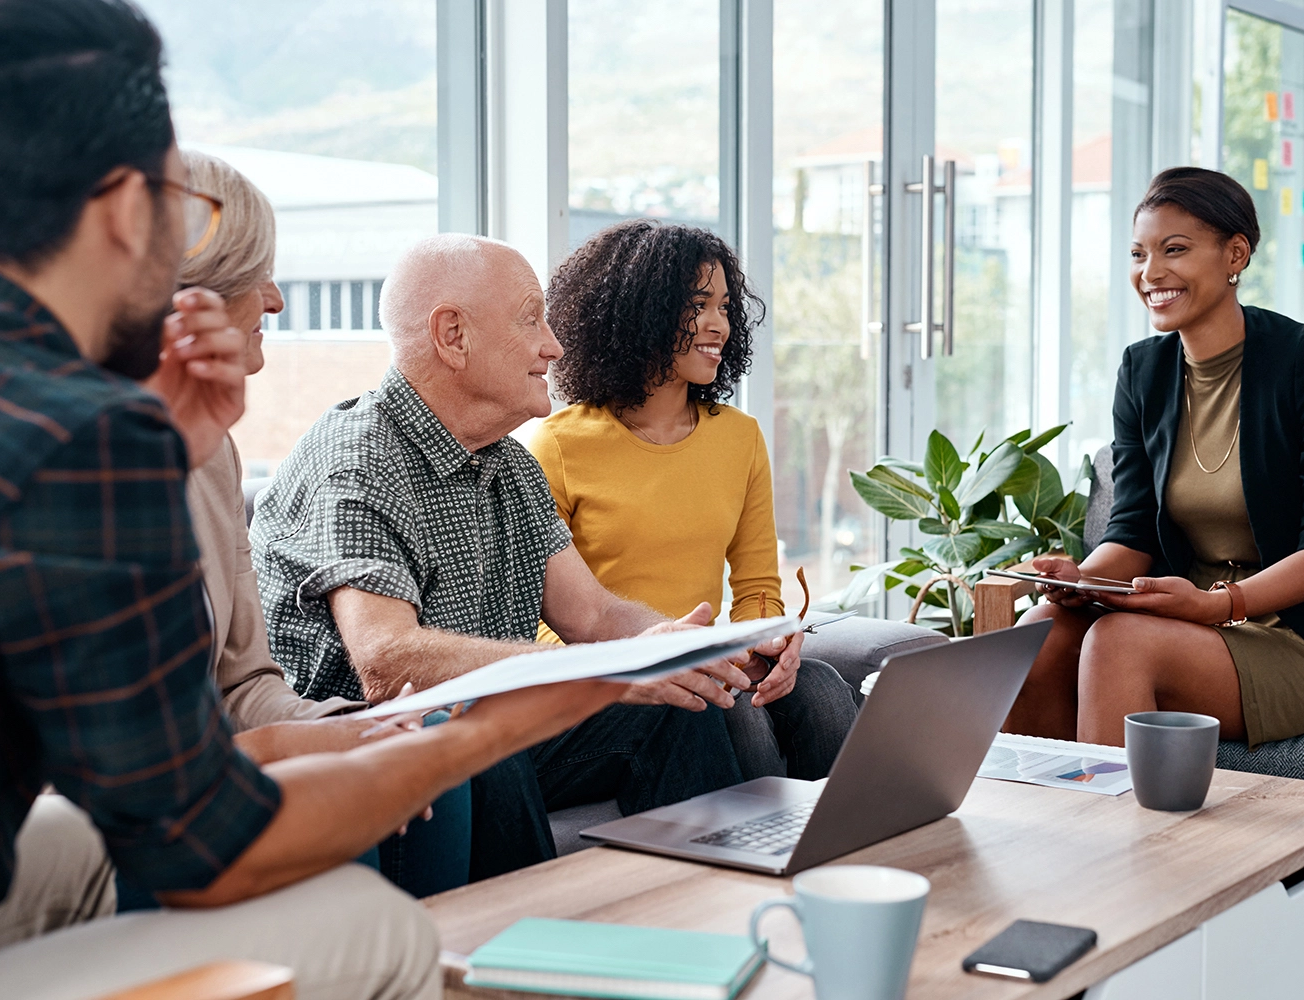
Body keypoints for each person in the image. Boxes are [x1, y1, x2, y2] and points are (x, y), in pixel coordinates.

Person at [0, 2, 627, 996]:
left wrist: (167, 454)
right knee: (380, 927)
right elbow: (204, 841)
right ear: (128, 211)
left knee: (83, 845)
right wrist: (495, 720)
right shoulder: (80, 427)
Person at [250, 233, 752, 881]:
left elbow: (594, 616)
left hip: (468, 732)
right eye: (530, 319)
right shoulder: (358, 458)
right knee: (488, 731)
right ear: (453, 335)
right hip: (371, 754)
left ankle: (713, 913)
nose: (554, 344)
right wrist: (595, 674)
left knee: (679, 704)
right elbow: (386, 660)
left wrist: (675, 649)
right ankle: (528, 964)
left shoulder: (509, 464)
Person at [154, 149, 469, 900]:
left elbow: (245, 682)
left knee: (429, 758)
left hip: (210, 760)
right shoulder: (63, 458)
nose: (276, 299)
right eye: (256, 275)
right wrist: (309, 744)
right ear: (189, 300)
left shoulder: (213, 455)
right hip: (115, 801)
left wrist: (355, 728)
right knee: (335, 805)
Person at [1005, 167, 1304, 748]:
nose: (1151, 273)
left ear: (1235, 254)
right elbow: (1133, 532)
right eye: (1139, 253)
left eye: (1175, 250)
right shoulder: (1142, 371)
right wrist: (1084, 580)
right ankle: (1044, 824)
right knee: (1041, 629)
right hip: (1190, 617)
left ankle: (1114, 837)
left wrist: (1218, 605)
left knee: (1118, 642)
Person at [529, 219, 858, 780]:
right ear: (640, 311)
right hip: (621, 674)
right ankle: (749, 862)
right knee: (726, 709)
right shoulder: (558, 445)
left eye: (726, 306)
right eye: (697, 304)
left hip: (713, 660)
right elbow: (549, 619)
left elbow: (756, 588)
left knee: (821, 688)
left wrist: (771, 643)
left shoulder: (740, 438)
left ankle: (863, 855)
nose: (718, 324)